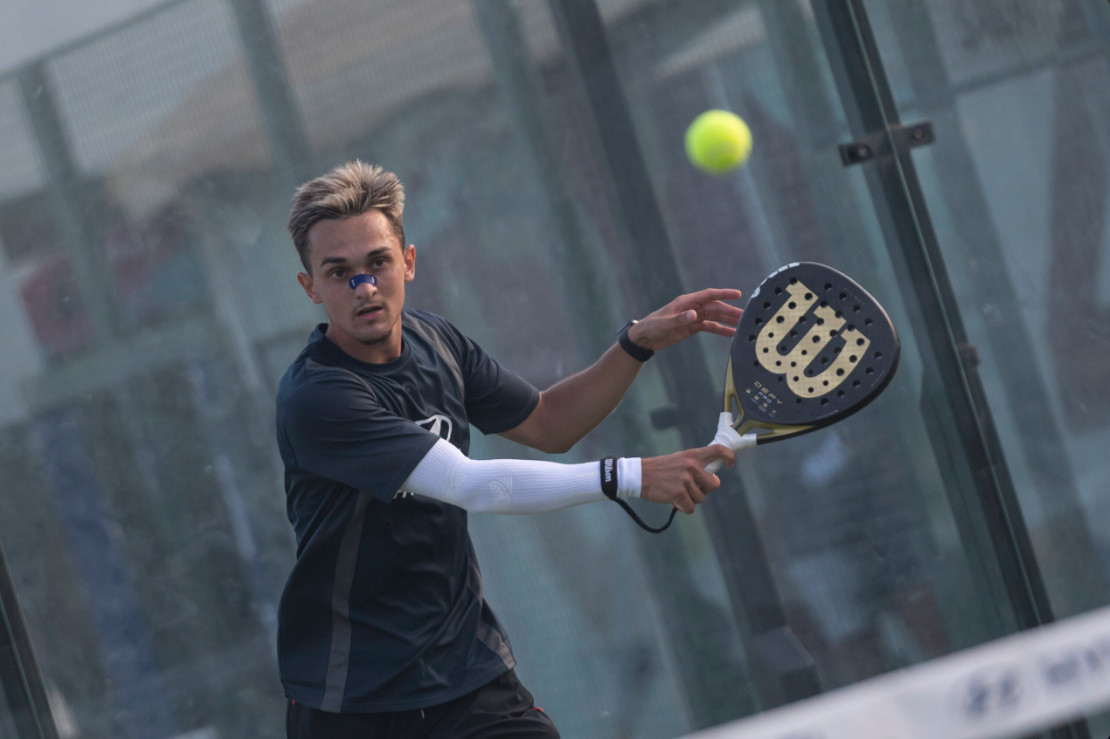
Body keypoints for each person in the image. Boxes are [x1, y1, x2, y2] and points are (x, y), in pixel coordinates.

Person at [276, 160, 744, 738]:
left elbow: (549, 423)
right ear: (310, 288)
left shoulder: (437, 342)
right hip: (353, 700)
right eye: (339, 272)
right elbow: (471, 485)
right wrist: (631, 475)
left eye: (378, 263)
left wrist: (635, 344)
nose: (365, 287)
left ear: (409, 262)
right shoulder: (318, 397)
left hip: (466, 675)